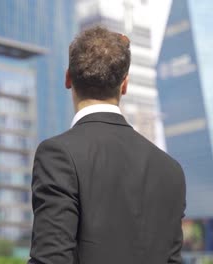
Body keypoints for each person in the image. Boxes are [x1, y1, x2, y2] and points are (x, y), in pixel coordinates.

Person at [28, 26, 186, 264]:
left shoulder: (58, 155)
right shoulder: (171, 170)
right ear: (125, 84)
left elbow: (51, 259)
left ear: (68, 78)